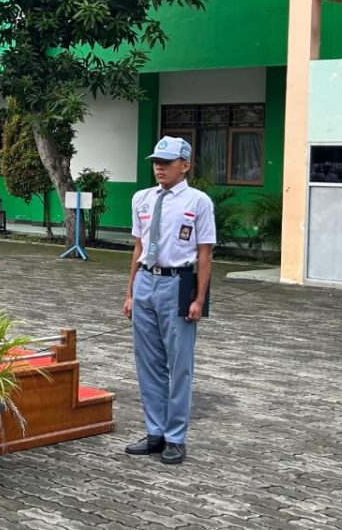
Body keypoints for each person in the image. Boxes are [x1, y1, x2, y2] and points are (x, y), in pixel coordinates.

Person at [122, 136, 215, 466]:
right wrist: (131, 292)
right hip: (147, 279)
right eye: (156, 161)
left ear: (185, 165)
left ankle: (176, 437)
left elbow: (204, 253)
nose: (159, 167)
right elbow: (138, 247)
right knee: (148, 363)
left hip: (178, 283)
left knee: (179, 365)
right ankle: (155, 432)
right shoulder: (142, 198)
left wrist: (199, 299)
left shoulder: (198, 201)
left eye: (167, 161)